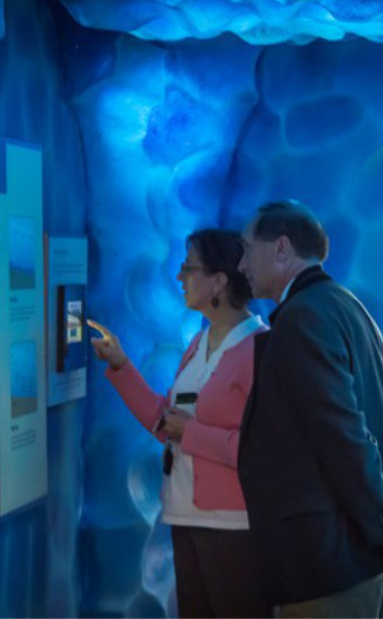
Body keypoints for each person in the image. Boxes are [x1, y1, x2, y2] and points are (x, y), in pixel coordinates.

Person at [237, 200, 383, 618]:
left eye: (247, 249)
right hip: (358, 555)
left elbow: (344, 433)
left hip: (329, 560)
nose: (241, 265)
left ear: (281, 248)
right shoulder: (348, 307)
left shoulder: (302, 318)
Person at [89, 229, 270, 618]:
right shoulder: (199, 343)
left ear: (219, 280)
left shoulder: (262, 349)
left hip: (234, 525)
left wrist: (192, 434)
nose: (179, 277)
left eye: (189, 268)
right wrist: (120, 365)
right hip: (185, 514)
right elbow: (167, 423)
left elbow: (263, 450)